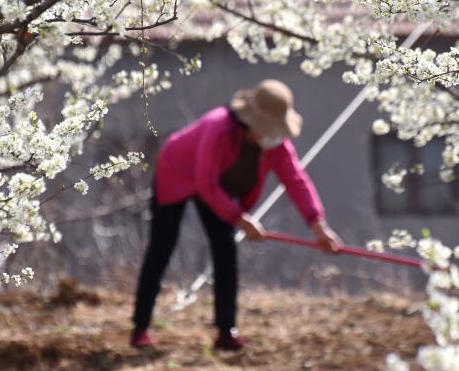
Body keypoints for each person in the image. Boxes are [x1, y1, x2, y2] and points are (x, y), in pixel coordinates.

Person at [130, 79, 342, 351]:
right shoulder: (218, 128)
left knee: (225, 251)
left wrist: (318, 225)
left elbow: (296, 180)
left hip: (217, 188)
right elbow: (205, 182)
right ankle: (141, 327)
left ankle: (226, 330)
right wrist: (239, 218)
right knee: (162, 247)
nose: (273, 134)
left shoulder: (276, 145)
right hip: (178, 172)